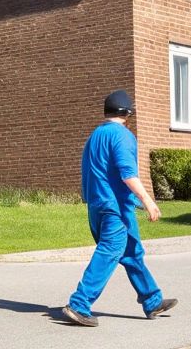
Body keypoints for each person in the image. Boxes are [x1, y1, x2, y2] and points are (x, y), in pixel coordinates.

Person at [58, 90, 178, 327]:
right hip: (116, 208)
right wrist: (148, 201)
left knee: (132, 252)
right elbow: (128, 173)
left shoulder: (95, 136)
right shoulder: (122, 136)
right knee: (109, 252)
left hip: (97, 205)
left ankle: (152, 299)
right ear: (127, 114)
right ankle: (79, 304)